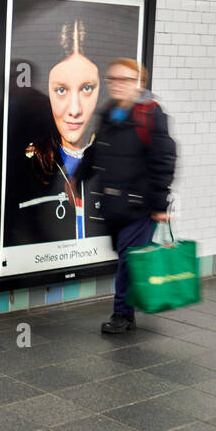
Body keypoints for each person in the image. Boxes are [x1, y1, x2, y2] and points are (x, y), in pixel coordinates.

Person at [74, 58, 176, 333]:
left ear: (140, 84)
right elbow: (98, 149)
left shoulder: (151, 114)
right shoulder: (109, 112)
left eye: (126, 80)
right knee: (125, 258)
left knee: (129, 260)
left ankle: (122, 314)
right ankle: (132, 303)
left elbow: (163, 159)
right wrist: (78, 176)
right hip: (113, 204)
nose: (117, 85)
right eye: (113, 79)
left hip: (139, 204)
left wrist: (159, 204)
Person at [4, 20, 109, 246]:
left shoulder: (28, 105)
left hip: (28, 178)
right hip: (29, 178)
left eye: (87, 88)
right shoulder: (33, 104)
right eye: (61, 90)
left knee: (28, 222)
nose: (74, 110)